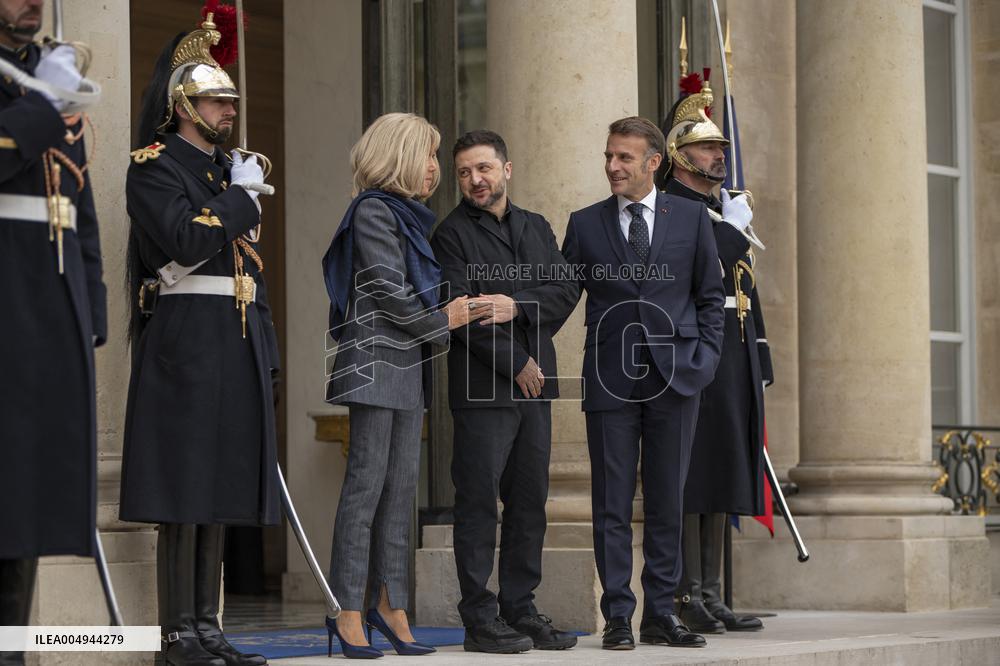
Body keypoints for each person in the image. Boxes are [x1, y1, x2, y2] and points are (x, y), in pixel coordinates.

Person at [119, 9, 276, 665]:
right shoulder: (154, 168)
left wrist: (264, 350)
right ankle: (177, 635)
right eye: (217, 100)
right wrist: (239, 199)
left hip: (232, 338)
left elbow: (246, 269)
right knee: (182, 492)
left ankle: (208, 628)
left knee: (218, 488)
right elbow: (185, 240)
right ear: (184, 105)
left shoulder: (223, 171)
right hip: (184, 341)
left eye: (231, 100)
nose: (229, 110)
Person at [322, 112, 489, 659]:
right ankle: (347, 609)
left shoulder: (408, 217)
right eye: (428, 155)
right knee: (365, 490)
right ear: (399, 157)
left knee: (399, 493)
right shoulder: (373, 210)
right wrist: (447, 320)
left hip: (405, 366)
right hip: (374, 365)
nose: (435, 168)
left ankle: (390, 604)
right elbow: (389, 293)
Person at [561, 117, 725, 650]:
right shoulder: (585, 223)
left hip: (676, 377)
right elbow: (560, 296)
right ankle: (617, 616)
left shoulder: (692, 218)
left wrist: (706, 359)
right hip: (609, 378)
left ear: (653, 162)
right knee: (611, 502)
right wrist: (515, 315)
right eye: (609, 156)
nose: (612, 166)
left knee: (666, 500)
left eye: (624, 157)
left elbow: (710, 296)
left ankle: (660, 613)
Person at [430, 130, 580, 654]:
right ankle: (479, 618)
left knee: (529, 502)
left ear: (506, 170)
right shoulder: (449, 235)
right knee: (477, 504)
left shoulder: (537, 226)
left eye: (484, 168)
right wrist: (516, 361)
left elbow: (566, 289)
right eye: (464, 172)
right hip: (482, 389)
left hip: (534, 388)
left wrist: (516, 305)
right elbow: (463, 312)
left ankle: (521, 609)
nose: (475, 179)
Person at [0, 2, 106, 664]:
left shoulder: (48, 74)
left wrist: (89, 309)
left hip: (49, 304)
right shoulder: (41, 88)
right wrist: (44, 103)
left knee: (31, 493)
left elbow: (77, 204)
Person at [656, 75, 770, 634]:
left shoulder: (722, 210)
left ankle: (712, 591)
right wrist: (732, 233)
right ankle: (685, 595)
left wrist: (760, 358)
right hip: (695, 350)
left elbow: (744, 285)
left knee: (723, 468)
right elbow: (698, 268)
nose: (719, 155)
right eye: (706, 147)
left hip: (732, 351)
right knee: (695, 474)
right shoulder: (673, 209)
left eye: (721, 147)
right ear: (679, 154)